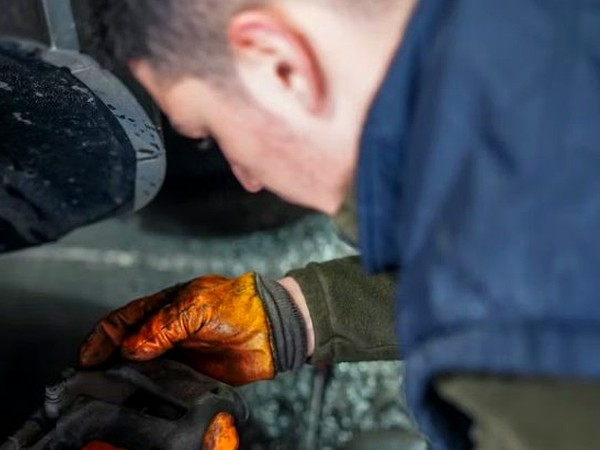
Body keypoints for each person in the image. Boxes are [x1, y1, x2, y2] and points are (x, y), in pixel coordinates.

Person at [79, 0, 600, 449]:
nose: (246, 179)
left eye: (210, 133)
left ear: (278, 67)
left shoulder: (524, 347)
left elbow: (507, 285)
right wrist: (302, 315)